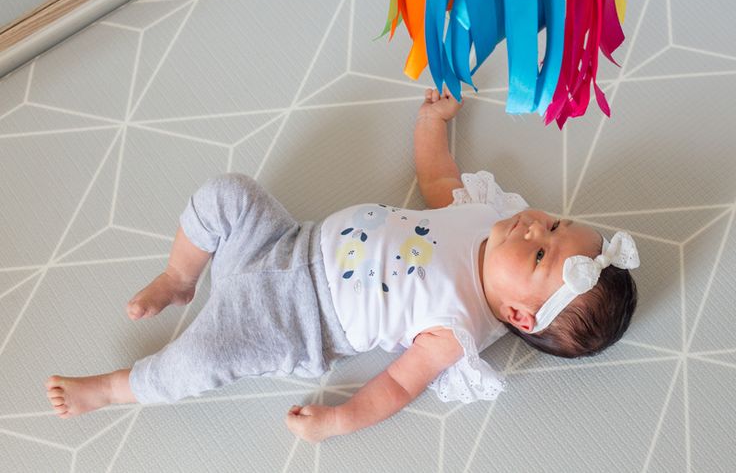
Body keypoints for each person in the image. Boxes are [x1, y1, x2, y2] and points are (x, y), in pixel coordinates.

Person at [45, 89, 639, 441]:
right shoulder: (483, 216)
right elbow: (436, 177)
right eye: (555, 224)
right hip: (286, 241)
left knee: (199, 360)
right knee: (227, 192)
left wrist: (338, 421)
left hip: (294, 321)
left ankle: (111, 389)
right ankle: (179, 277)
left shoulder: (458, 329)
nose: (537, 227)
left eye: (540, 252)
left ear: (518, 313)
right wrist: (431, 124)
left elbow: (397, 385)